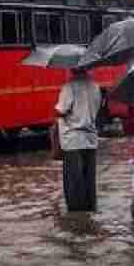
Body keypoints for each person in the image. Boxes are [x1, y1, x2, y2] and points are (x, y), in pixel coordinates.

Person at [55, 66, 103, 212]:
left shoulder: (69, 87)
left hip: (72, 140)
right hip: (90, 139)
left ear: (73, 69)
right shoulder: (96, 87)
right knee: (89, 179)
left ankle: (77, 215)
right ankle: (90, 209)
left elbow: (60, 110)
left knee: (74, 182)